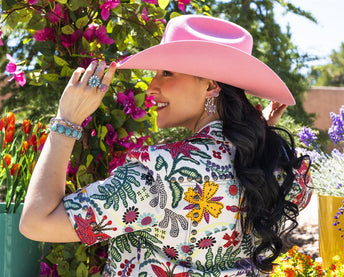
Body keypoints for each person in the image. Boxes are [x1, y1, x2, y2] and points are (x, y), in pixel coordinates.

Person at [20, 15, 312, 276]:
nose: (151, 86)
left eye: (167, 73)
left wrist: (66, 123)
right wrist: (259, 133)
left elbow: (37, 222)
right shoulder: (277, 165)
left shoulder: (160, 174)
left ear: (211, 86)